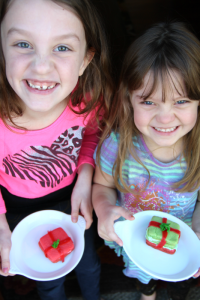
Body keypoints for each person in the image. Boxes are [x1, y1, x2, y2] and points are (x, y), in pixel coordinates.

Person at [0, 0, 113, 299]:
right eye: (23, 43)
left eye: (62, 48)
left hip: (72, 198)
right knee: (48, 278)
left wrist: (85, 177)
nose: (41, 67)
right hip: (15, 209)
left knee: (89, 264)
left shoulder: (86, 101)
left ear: (86, 59)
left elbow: (91, 133)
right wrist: (1, 225)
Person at [92, 21, 200, 300]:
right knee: (142, 275)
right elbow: (102, 185)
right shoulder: (116, 147)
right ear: (129, 98)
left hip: (183, 240)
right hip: (135, 239)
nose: (165, 118)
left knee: (181, 281)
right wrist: (104, 209)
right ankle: (147, 292)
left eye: (181, 102)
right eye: (149, 102)